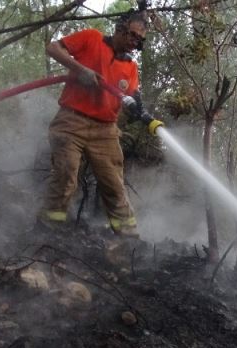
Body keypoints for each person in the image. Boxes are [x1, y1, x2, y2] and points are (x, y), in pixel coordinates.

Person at [39, 11, 163, 238]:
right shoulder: (91, 38)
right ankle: (47, 229)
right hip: (71, 121)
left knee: (114, 185)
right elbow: (52, 48)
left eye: (140, 40)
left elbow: (133, 97)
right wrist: (81, 70)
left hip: (105, 131)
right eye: (133, 36)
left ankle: (129, 238)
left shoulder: (131, 67)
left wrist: (142, 112)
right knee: (66, 173)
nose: (135, 43)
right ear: (120, 28)